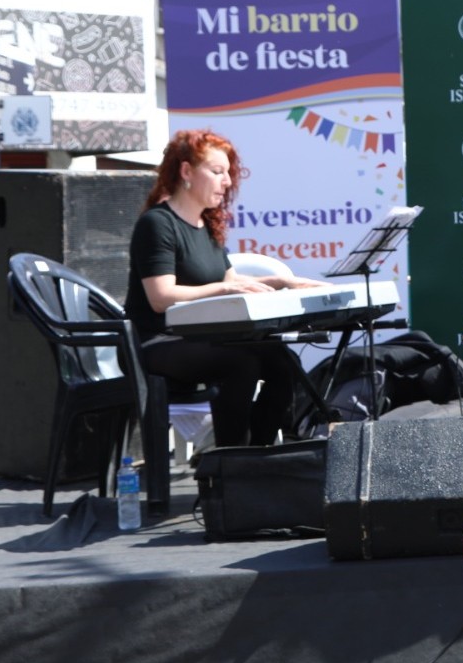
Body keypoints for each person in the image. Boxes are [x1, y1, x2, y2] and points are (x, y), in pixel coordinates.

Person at [125, 129, 328, 448]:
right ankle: (231, 458)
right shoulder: (157, 223)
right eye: (217, 171)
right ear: (186, 171)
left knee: (284, 361)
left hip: (201, 338)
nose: (227, 181)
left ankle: (258, 452)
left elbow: (232, 283)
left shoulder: (207, 225)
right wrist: (223, 290)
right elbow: (161, 297)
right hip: (158, 342)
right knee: (240, 362)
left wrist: (283, 283)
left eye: (228, 173)